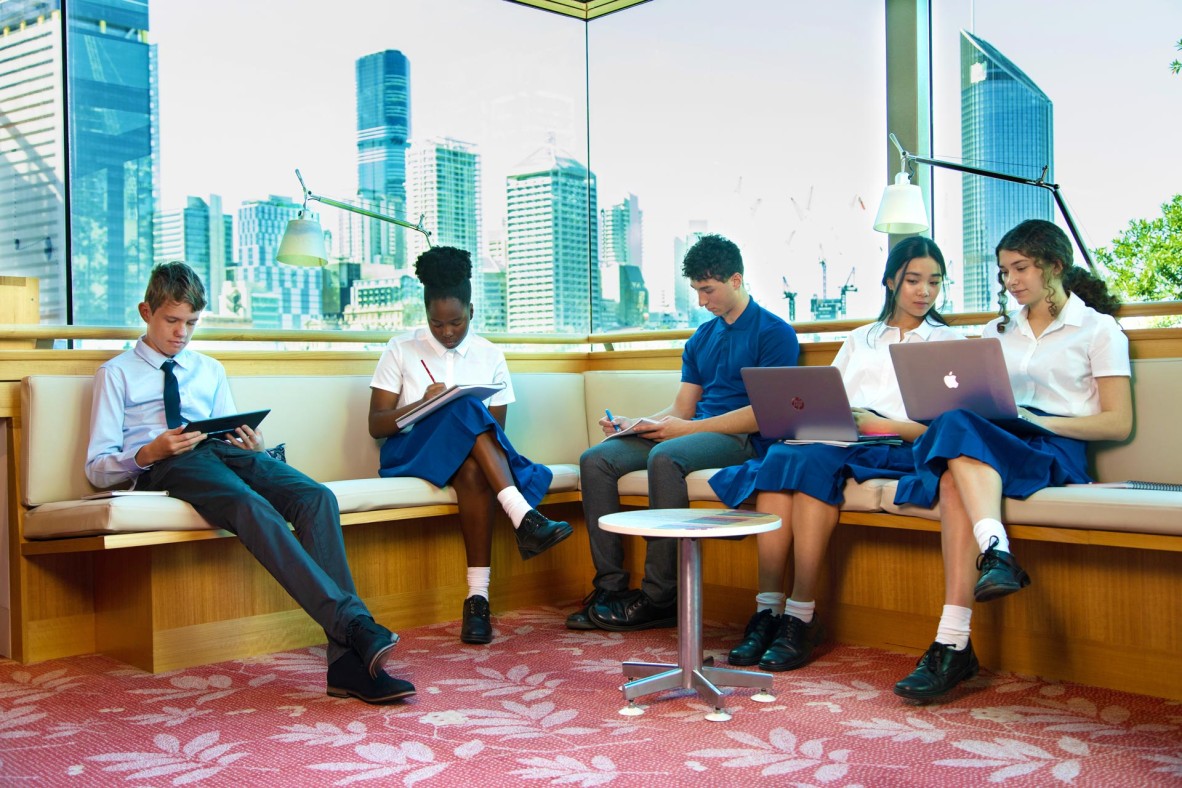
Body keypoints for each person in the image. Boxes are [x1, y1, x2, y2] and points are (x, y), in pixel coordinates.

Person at [85, 262, 413, 705]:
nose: (182, 333)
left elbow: (224, 427)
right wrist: (150, 451)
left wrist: (252, 446)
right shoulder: (117, 373)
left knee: (316, 497)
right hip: (167, 465)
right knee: (249, 503)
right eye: (172, 321)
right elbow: (97, 466)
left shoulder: (209, 369)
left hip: (224, 453)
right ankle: (356, 627)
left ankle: (345, 665)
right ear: (146, 311)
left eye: (192, 323)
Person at [892, 220, 1132, 701]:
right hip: (1000, 443)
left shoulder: (1098, 330)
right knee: (956, 433)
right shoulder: (995, 330)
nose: (1010, 281)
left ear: (1054, 266)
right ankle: (988, 567)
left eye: (1020, 268)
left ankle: (953, 641)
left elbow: (1116, 423)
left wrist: (1035, 421)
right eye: (1004, 271)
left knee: (954, 461)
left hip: (1055, 448)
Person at [710, 237, 957, 671]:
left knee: (808, 460)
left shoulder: (946, 341)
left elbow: (946, 431)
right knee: (784, 455)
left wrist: (878, 425)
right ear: (890, 281)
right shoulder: (861, 339)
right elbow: (826, 396)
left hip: (899, 443)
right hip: (844, 437)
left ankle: (801, 615)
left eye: (934, 282)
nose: (924, 291)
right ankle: (768, 610)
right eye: (914, 280)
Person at [569, 234, 800, 632]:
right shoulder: (700, 339)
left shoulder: (774, 333)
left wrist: (684, 430)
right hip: (697, 432)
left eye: (707, 290)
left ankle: (660, 596)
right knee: (598, 459)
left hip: (742, 437)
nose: (701, 301)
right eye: (696, 291)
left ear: (736, 280)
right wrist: (636, 424)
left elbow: (765, 415)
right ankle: (611, 589)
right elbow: (682, 408)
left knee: (666, 456)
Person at [368, 246, 572, 646]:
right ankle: (523, 515)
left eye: (456, 322)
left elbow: (493, 433)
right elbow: (376, 425)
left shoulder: (490, 355)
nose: (446, 332)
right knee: (463, 404)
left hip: (468, 459)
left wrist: (456, 411)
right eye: (437, 323)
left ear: (472, 312)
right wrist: (423, 404)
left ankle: (477, 600)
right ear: (425, 314)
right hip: (410, 453)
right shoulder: (400, 348)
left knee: (476, 465)